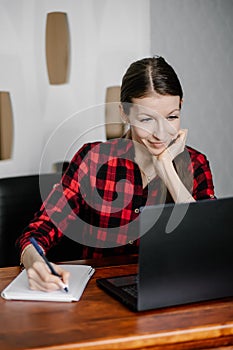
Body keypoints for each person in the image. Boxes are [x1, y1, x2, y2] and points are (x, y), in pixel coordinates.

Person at [16, 56, 215, 292]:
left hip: (172, 291)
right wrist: (35, 262)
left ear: (181, 105)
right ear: (124, 113)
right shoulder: (93, 159)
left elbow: (209, 246)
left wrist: (167, 171)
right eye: (146, 119)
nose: (161, 134)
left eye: (172, 117)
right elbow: (39, 230)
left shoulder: (197, 164)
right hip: (100, 294)